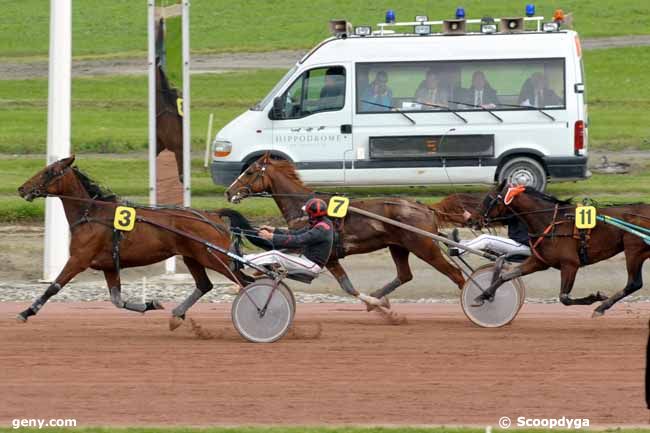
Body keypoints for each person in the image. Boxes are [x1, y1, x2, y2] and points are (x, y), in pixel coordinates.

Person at [247, 198, 386, 307]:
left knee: (276, 255)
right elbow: (295, 233)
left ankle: (245, 260)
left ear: (313, 215)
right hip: (305, 261)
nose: (306, 214)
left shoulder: (321, 229)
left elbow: (298, 240)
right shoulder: (318, 224)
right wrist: (274, 230)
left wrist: (271, 237)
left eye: (308, 213)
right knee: (276, 259)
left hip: (310, 266)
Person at [448, 210, 530, 257]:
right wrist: (471, 218)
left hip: (524, 248)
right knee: (484, 242)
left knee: (486, 239)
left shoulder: (529, 212)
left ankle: (458, 251)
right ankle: (460, 243)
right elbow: (495, 219)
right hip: (520, 245)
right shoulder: (519, 211)